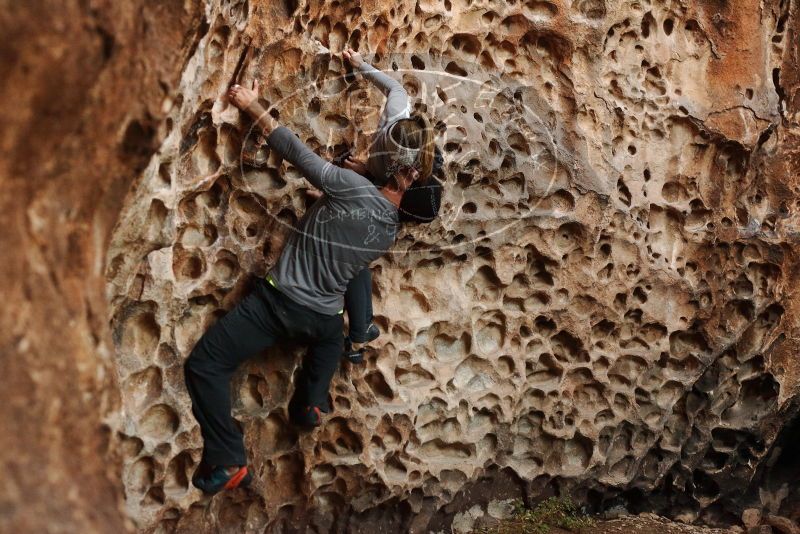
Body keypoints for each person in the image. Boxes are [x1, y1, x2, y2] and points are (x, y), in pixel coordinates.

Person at [183, 70, 432, 494]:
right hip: (322, 321)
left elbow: (295, 151)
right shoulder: (388, 228)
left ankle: (226, 456)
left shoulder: (349, 185)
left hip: (277, 308)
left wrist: (250, 105)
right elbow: (352, 222)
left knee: (204, 366)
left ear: (384, 162)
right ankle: (309, 402)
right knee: (331, 340)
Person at [336, 48, 444, 362]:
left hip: (411, 203)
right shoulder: (396, 117)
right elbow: (394, 88)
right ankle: (360, 330)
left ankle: (357, 335)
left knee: (358, 253)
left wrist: (359, 177)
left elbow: (384, 197)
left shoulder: (405, 175)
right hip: (396, 188)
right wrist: (359, 64)